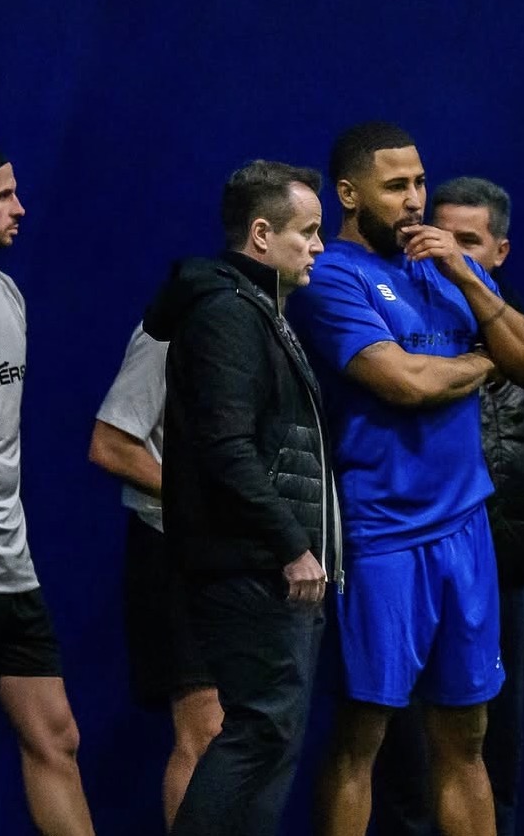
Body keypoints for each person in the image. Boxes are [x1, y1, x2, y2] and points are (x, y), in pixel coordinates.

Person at [287, 122, 524, 836]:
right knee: (362, 737)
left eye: (419, 183)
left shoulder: (442, 267)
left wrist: (466, 275)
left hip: (466, 531)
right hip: (381, 534)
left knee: (466, 739)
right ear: (349, 194)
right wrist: (484, 361)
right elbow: (402, 382)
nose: (414, 200)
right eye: (395, 186)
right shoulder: (331, 277)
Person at [143, 159, 340, 836]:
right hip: (250, 566)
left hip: (264, 565)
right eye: (307, 232)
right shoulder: (227, 314)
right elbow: (227, 449)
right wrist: (291, 545)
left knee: (273, 738)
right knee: (260, 730)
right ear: (261, 234)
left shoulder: (260, 311)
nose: (319, 247)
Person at [371, 177, 524, 836]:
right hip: (411, 549)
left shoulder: (518, 332)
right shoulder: (396, 318)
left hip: (501, 559)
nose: (444, 249)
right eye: (437, 234)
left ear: (499, 251)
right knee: (402, 752)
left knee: (494, 742)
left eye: (467, 241)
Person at [0, 139, 95, 835]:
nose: (20, 208)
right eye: (2, 195)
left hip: (8, 570)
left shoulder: (7, 294)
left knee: (56, 738)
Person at [88, 323, 222, 831]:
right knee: (205, 732)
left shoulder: (267, 326)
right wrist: (201, 502)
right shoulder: (170, 329)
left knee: (243, 738)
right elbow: (110, 444)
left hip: (238, 558)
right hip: (173, 549)